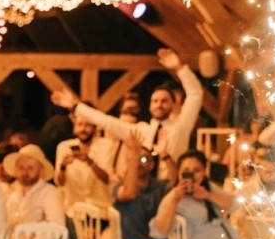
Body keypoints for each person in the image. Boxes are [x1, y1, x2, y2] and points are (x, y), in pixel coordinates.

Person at [51, 49, 204, 180]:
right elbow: (106, 121)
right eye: (155, 101)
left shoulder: (181, 126)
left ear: (172, 104)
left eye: (164, 101)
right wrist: (76, 106)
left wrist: (179, 68)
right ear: (149, 106)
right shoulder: (141, 130)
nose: (159, 104)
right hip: (143, 191)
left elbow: (195, 94)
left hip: (170, 185)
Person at [111, 135, 169, 239]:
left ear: (152, 165)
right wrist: (133, 157)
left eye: (143, 159)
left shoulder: (159, 187)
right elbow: (130, 193)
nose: (138, 163)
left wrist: (165, 155)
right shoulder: (119, 187)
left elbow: (175, 183)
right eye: (135, 159)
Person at [55, 110, 118, 209]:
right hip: (73, 209)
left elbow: (107, 179)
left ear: (94, 127)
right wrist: (63, 166)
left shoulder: (106, 145)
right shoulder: (64, 147)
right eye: (79, 124)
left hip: (100, 209)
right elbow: (59, 182)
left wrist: (89, 161)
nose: (83, 129)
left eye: (87, 125)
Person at [3, 145, 65, 227]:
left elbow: (57, 226)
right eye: (21, 167)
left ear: (41, 171)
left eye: (30, 168)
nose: (25, 173)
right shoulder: (13, 195)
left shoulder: (49, 193)